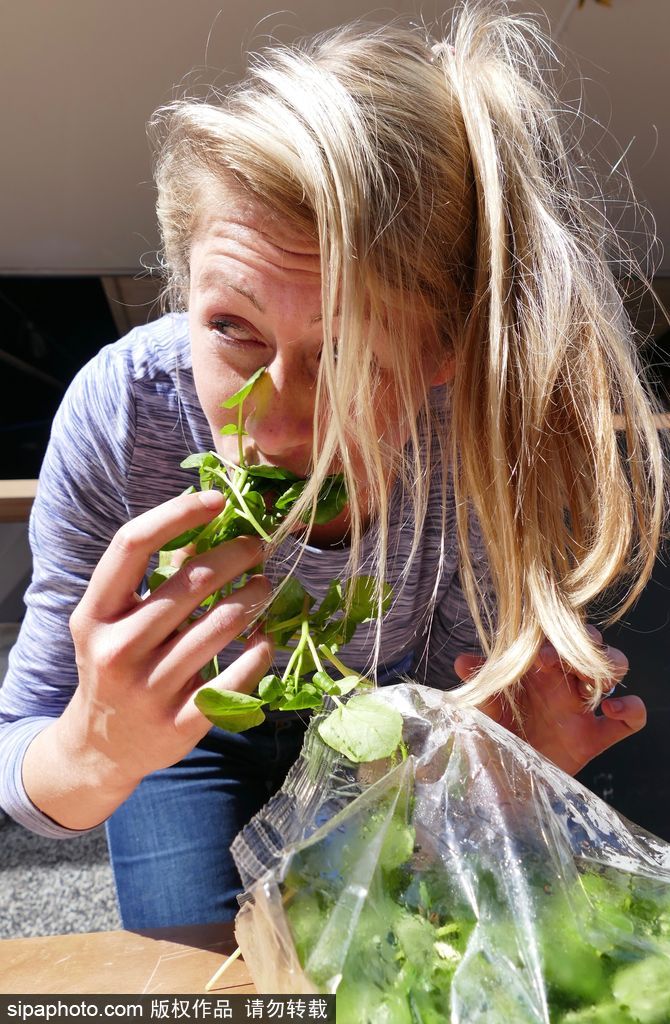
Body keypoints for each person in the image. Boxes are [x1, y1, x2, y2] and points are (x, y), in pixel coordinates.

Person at [0, 4, 664, 929]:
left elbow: (450, 727)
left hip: (398, 713)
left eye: (352, 353)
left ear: (443, 351)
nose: (274, 421)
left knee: (402, 941)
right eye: (230, 327)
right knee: (194, 965)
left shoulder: (478, 431)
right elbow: (27, 762)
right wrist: (100, 746)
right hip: (187, 733)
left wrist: (512, 777)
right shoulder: (123, 415)